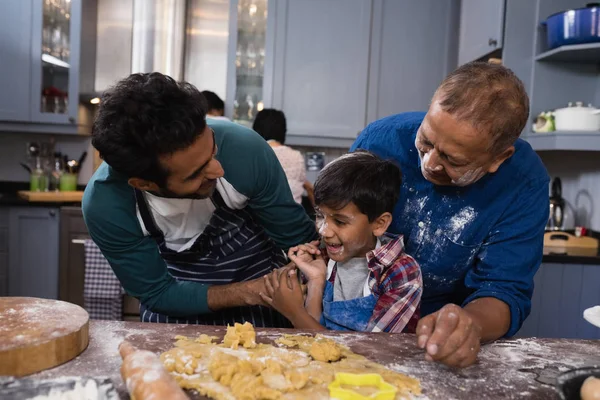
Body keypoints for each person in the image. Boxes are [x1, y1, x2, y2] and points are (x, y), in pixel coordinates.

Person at [351, 62, 550, 367]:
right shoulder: (379, 141)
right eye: (426, 141)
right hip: (359, 317)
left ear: (499, 157)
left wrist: (468, 324)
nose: (429, 163)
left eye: (452, 159)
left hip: (438, 338)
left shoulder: (524, 182)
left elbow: (504, 289)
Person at [83, 72, 317, 327]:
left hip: (266, 306)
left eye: (213, 149)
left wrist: (305, 270)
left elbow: (299, 240)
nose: (217, 170)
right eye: (196, 173)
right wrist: (251, 291)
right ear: (144, 184)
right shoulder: (106, 205)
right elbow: (158, 292)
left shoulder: (244, 150)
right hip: (176, 311)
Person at [260, 151, 422, 333]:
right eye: (320, 215)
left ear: (379, 224)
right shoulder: (321, 256)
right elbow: (311, 334)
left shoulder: (401, 274)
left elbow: (370, 352)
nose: (324, 231)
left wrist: (295, 313)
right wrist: (315, 280)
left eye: (340, 221)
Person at [253, 109, 314, 207]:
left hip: (261, 218)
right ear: (283, 131)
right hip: (292, 218)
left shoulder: (255, 154)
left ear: (257, 130)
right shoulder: (296, 156)